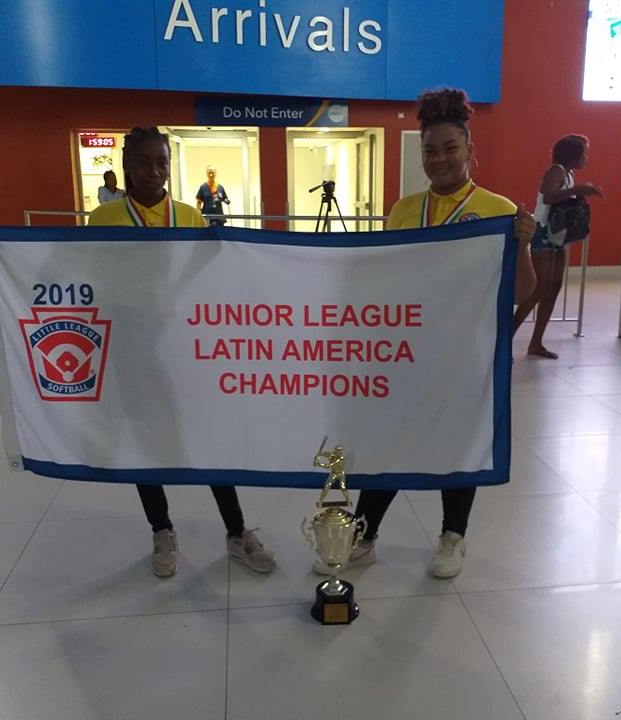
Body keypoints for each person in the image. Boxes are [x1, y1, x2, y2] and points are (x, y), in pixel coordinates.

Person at [313, 88, 537, 580]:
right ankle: (366, 535)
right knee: (390, 444)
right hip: (405, 357)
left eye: (450, 148)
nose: (439, 159)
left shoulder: (498, 211)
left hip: (464, 357)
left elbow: (523, 291)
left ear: (469, 150)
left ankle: (452, 537)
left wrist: (522, 246)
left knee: (456, 447)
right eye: (430, 151)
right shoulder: (403, 210)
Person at [87, 126, 275, 577]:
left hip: (188, 352)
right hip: (134, 350)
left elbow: (205, 283)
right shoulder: (103, 221)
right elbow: (96, 280)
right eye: (143, 162)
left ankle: (236, 531)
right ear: (126, 165)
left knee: (210, 439)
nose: (154, 172)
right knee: (147, 442)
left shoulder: (191, 217)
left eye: (162, 163)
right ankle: (162, 530)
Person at [513, 134, 603, 358]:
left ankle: (536, 342)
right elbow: (549, 196)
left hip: (556, 237)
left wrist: (578, 190)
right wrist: (578, 190)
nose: (586, 157)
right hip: (543, 232)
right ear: (573, 154)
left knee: (553, 287)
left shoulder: (569, 174)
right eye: (584, 152)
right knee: (538, 289)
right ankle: (506, 337)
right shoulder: (556, 171)